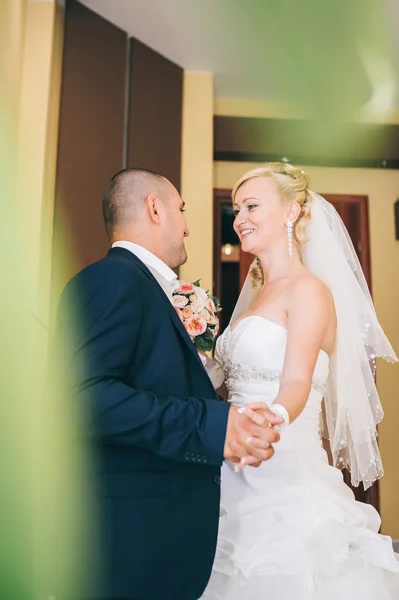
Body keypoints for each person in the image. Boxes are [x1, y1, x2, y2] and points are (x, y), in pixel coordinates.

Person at [53, 167, 283, 600]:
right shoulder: (113, 280)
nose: (188, 225)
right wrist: (214, 425)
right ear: (155, 208)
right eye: (180, 210)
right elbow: (84, 399)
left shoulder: (139, 287)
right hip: (129, 543)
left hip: (159, 539)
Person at [201, 162, 399, 599]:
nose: (239, 219)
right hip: (230, 466)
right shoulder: (253, 293)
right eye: (236, 209)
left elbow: (296, 382)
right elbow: (229, 379)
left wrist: (270, 416)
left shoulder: (309, 290)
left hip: (281, 465)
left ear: (291, 212)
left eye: (252, 206)